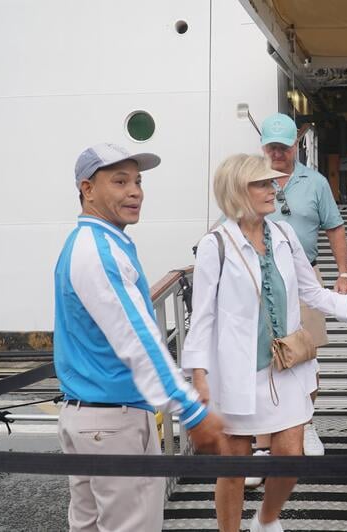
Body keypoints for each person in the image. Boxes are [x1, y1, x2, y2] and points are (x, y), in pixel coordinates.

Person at [181, 154, 347, 532]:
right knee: (234, 467)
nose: (273, 189)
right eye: (262, 184)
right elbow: (201, 319)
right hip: (236, 373)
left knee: (290, 454)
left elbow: (311, 292)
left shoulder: (284, 235)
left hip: (285, 366)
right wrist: (199, 378)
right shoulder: (214, 245)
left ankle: (265, 520)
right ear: (238, 191)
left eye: (272, 182)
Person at [54, 143, 223, 532]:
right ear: (87, 189)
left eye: (138, 181)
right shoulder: (100, 252)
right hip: (114, 423)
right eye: (120, 182)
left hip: (86, 418)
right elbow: (139, 341)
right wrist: (192, 411)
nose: (135, 192)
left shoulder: (81, 244)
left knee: (87, 525)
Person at [257, 112, 347, 461]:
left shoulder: (315, 182)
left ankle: (306, 425)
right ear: (263, 146)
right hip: (260, 280)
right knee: (262, 357)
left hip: (306, 276)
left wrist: (344, 274)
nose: (277, 153)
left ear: (296, 144)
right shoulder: (252, 182)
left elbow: (335, 227)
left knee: (307, 354)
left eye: (284, 147)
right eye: (272, 147)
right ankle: (262, 440)